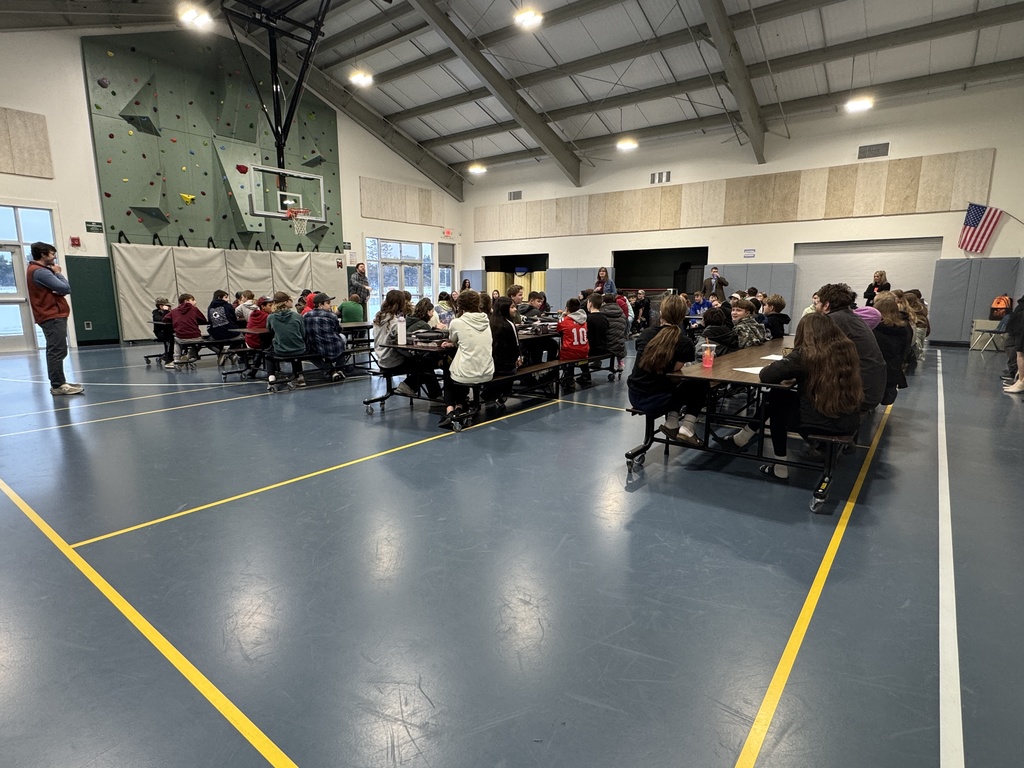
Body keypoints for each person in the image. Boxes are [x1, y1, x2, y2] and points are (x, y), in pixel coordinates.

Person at [725, 313, 863, 481]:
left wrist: (789, 366)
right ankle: (743, 436)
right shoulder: (847, 349)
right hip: (849, 418)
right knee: (781, 398)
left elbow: (767, 375)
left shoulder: (805, 354)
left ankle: (779, 466)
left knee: (777, 399)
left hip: (820, 422)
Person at [627, 293, 705, 444]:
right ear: (683, 315)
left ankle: (672, 423)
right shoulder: (684, 342)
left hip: (635, 395)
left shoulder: (646, 334)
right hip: (657, 399)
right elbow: (674, 374)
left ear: (661, 313)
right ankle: (687, 427)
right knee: (700, 384)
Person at [816, 283, 885, 410]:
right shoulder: (853, 318)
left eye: (817, 303)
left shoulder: (831, 321)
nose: (816, 306)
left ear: (826, 305)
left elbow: (814, 354)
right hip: (873, 388)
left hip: (859, 393)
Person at [26, 242, 83, 394]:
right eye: (52, 254)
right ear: (43, 254)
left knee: (57, 349)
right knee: (57, 350)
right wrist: (58, 273)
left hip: (51, 314)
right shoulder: (41, 272)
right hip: (51, 315)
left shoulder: (37, 270)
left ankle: (59, 382)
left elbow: (58, 290)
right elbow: (65, 288)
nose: (54, 257)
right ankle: (58, 385)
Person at [439, 290, 494, 427]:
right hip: (487, 371)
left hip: (467, 373)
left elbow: (453, 338)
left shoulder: (457, 322)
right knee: (460, 366)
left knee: (449, 370)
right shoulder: (486, 320)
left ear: (460, 305)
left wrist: (453, 343)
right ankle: (460, 404)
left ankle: (450, 409)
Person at [871, 292, 913, 405]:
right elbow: (905, 349)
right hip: (893, 370)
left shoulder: (874, 330)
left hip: (876, 370)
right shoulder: (904, 328)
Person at [303, 292, 349, 381]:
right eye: (328, 303)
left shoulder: (305, 316)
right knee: (342, 338)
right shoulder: (331, 315)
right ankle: (339, 368)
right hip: (332, 347)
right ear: (320, 305)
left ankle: (329, 370)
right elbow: (338, 330)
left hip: (315, 347)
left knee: (310, 355)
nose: (330, 305)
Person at [266, 291, 306, 387]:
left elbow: (269, 329)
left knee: (268, 354)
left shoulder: (271, 317)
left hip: (281, 350)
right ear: (287, 302)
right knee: (296, 346)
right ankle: (300, 376)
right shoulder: (298, 316)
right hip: (299, 349)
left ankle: (271, 377)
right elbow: (303, 334)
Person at [488, 296, 521, 400]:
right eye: (512, 307)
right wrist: (519, 358)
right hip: (507, 366)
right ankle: (503, 393)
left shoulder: (490, 322)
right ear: (504, 309)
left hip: (493, 364)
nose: (515, 309)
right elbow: (515, 346)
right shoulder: (509, 324)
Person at [166, 293, 207, 367]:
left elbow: (165, 319)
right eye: (193, 300)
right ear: (187, 301)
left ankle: (176, 360)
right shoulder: (194, 309)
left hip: (181, 337)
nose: (195, 301)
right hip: (195, 337)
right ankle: (188, 355)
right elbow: (203, 320)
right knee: (200, 342)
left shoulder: (174, 311)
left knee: (176, 340)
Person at [558, 297, 590, 389]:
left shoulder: (564, 320)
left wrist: (563, 316)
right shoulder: (584, 320)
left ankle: (569, 378)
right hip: (584, 351)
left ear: (567, 309)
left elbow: (559, 328)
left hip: (570, 353)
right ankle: (586, 376)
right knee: (578, 349)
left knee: (568, 350)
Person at [243, 295, 274, 377]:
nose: (273, 307)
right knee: (270, 345)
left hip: (249, 341)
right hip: (259, 342)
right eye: (270, 306)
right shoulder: (268, 316)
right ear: (263, 306)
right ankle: (272, 372)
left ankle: (253, 370)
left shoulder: (253, 314)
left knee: (264, 345)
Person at [599, 289, 628, 371]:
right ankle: (620, 362)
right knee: (618, 336)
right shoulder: (621, 312)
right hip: (620, 345)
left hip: (605, 346)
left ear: (603, 302)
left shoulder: (601, 313)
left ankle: (597, 362)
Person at [1002, 295, 1024, 393]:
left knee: (1020, 353)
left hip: (1021, 323)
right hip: (1018, 322)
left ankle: (1021, 382)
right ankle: (1019, 379)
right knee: (1017, 351)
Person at [152, 296, 174, 366]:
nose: (169, 307)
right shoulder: (155, 313)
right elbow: (163, 319)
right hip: (161, 332)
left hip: (171, 331)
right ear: (161, 306)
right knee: (170, 338)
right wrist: (165, 311)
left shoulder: (171, 312)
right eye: (167, 306)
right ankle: (169, 358)